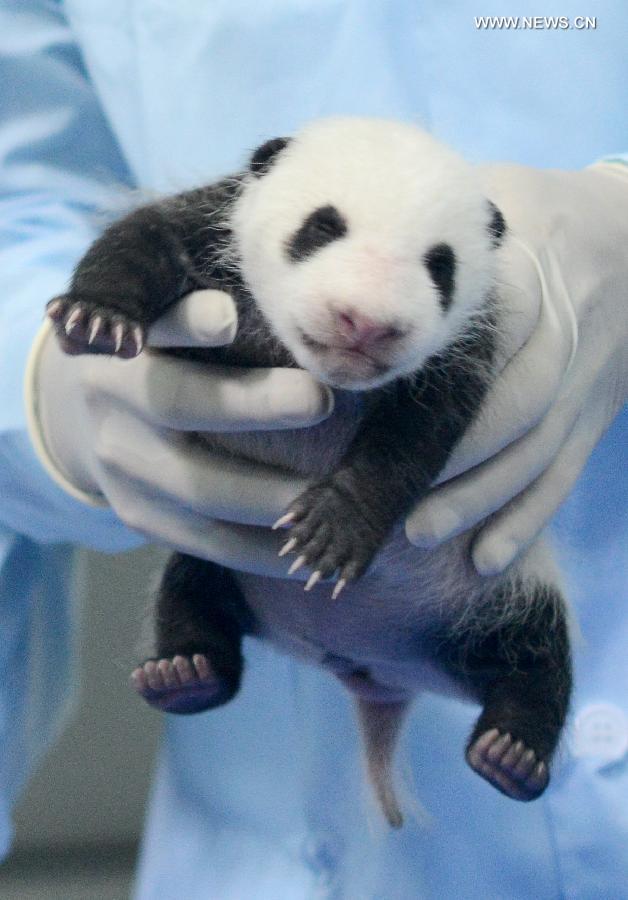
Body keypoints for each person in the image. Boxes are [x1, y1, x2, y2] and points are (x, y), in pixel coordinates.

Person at [1, 1, 626, 897]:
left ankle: (523, 712)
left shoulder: (462, 330)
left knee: (529, 622)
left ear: (487, 255)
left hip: (499, 605)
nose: (370, 310)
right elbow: (24, 193)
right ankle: (205, 651)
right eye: (323, 232)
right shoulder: (213, 221)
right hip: (270, 833)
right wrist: (39, 376)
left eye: (439, 269)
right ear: (263, 184)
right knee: (205, 558)